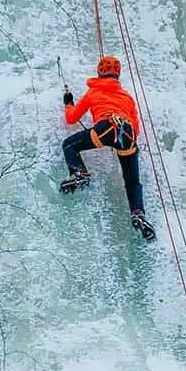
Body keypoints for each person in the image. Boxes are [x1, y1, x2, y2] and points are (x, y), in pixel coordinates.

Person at [59, 55, 156, 241]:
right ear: (117, 75)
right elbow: (136, 128)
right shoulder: (127, 97)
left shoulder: (92, 92)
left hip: (107, 127)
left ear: (99, 72)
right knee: (132, 181)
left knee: (69, 145)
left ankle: (79, 173)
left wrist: (68, 103)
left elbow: (71, 118)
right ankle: (138, 213)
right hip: (127, 134)